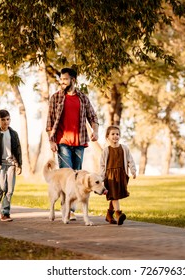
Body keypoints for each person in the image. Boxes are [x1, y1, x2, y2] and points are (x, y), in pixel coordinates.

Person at [46, 67, 99, 220]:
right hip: (62, 142)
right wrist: (51, 140)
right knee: (66, 176)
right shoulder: (56, 97)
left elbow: (93, 117)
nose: (62, 82)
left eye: (65, 79)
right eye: (61, 79)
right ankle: (67, 210)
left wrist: (95, 131)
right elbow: (49, 122)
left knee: (78, 177)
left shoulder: (83, 98)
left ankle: (71, 209)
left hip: (80, 143)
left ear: (73, 80)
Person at [100, 125, 136, 225]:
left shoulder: (124, 148)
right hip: (110, 177)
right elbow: (102, 165)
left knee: (115, 195)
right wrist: (102, 177)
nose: (115, 136)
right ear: (107, 136)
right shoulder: (106, 150)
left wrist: (133, 170)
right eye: (113, 134)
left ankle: (109, 215)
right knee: (114, 195)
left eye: (117, 134)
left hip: (121, 175)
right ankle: (118, 214)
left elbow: (130, 160)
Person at [0, 109, 22, 222]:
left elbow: (18, 150)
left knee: (10, 190)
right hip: (0, 164)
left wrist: (19, 165)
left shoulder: (13, 134)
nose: (6, 122)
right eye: (3, 120)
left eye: (7, 119)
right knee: (1, 188)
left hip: (11, 164)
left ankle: (5, 212)